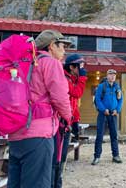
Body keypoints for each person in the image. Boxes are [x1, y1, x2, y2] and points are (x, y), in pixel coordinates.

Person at [7, 29, 72, 188]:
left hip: (15, 134)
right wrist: (69, 117)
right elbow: (60, 97)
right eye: (62, 46)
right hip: (38, 135)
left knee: (16, 183)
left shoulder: (22, 63)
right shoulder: (50, 63)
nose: (64, 50)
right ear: (51, 46)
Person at [52, 53, 88, 188]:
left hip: (68, 123)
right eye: (81, 66)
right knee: (57, 158)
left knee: (62, 158)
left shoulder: (72, 78)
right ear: (72, 67)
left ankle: (58, 183)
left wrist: (76, 120)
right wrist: (83, 79)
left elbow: (73, 102)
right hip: (60, 124)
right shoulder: (64, 79)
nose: (83, 69)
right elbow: (76, 93)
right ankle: (54, 184)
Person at [91, 69, 123, 165]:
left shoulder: (117, 87)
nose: (112, 76)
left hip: (113, 114)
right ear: (107, 75)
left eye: (114, 75)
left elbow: (120, 100)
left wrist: (117, 110)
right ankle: (97, 156)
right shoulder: (101, 86)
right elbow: (97, 99)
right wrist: (103, 109)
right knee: (99, 135)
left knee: (114, 135)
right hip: (103, 114)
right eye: (110, 74)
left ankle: (116, 155)